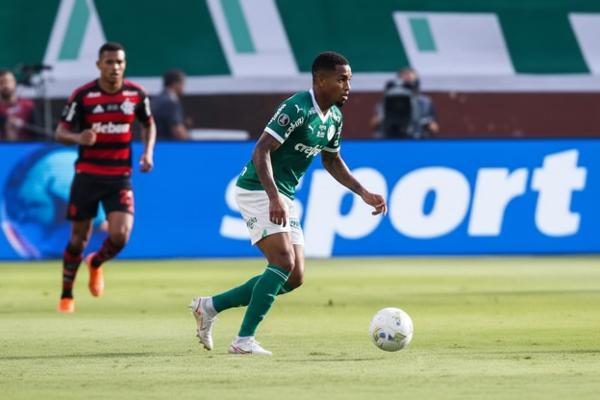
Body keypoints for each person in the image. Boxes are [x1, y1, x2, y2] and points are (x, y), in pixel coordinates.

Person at [188, 52, 387, 355]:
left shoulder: (334, 117)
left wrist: (363, 192)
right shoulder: (297, 107)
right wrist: (273, 197)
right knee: (282, 262)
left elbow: (332, 160)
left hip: (285, 195)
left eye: (349, 80)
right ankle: (243, 340)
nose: (348, 86)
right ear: (321, 80)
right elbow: (261, 150)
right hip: (258, 188)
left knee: (294, 276)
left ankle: (209, 306)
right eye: (342, 79)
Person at [55, 42, 156, 313]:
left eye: (119, 62)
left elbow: (148, 124)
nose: (115, 67)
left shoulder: (136, 94)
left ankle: (96, 262)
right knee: (78, 239)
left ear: (125, 64)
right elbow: (60, 132)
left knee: (120, 236)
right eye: (109, 62)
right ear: (99, 65)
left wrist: (148, 153)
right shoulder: (83, 96)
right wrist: (79, 137)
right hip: (87, 175)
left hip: (119, 177)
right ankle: (66, 295)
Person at [370, 67, 439, 139]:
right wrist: (382, 118)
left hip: (416, 137)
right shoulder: (387, 101)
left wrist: (427, 124)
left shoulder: (424, 102)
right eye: (405, 83)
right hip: (390, 137)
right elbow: (374, 124)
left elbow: (434, 127)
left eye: (410, 84)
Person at [0, 69, 39, 141]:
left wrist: (23, 125)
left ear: (15, 83)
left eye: (8, 81)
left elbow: (39, 133)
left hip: (28, 146)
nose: (6, 85)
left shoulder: (28, 106)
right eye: (1, 82)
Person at [151, 69, 189, 140]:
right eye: (182, 83)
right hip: (167, 144)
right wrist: (190, 142)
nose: (183, 87)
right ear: (175, 84)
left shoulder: (156, 100)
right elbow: (178, 131)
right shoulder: (171, 102)